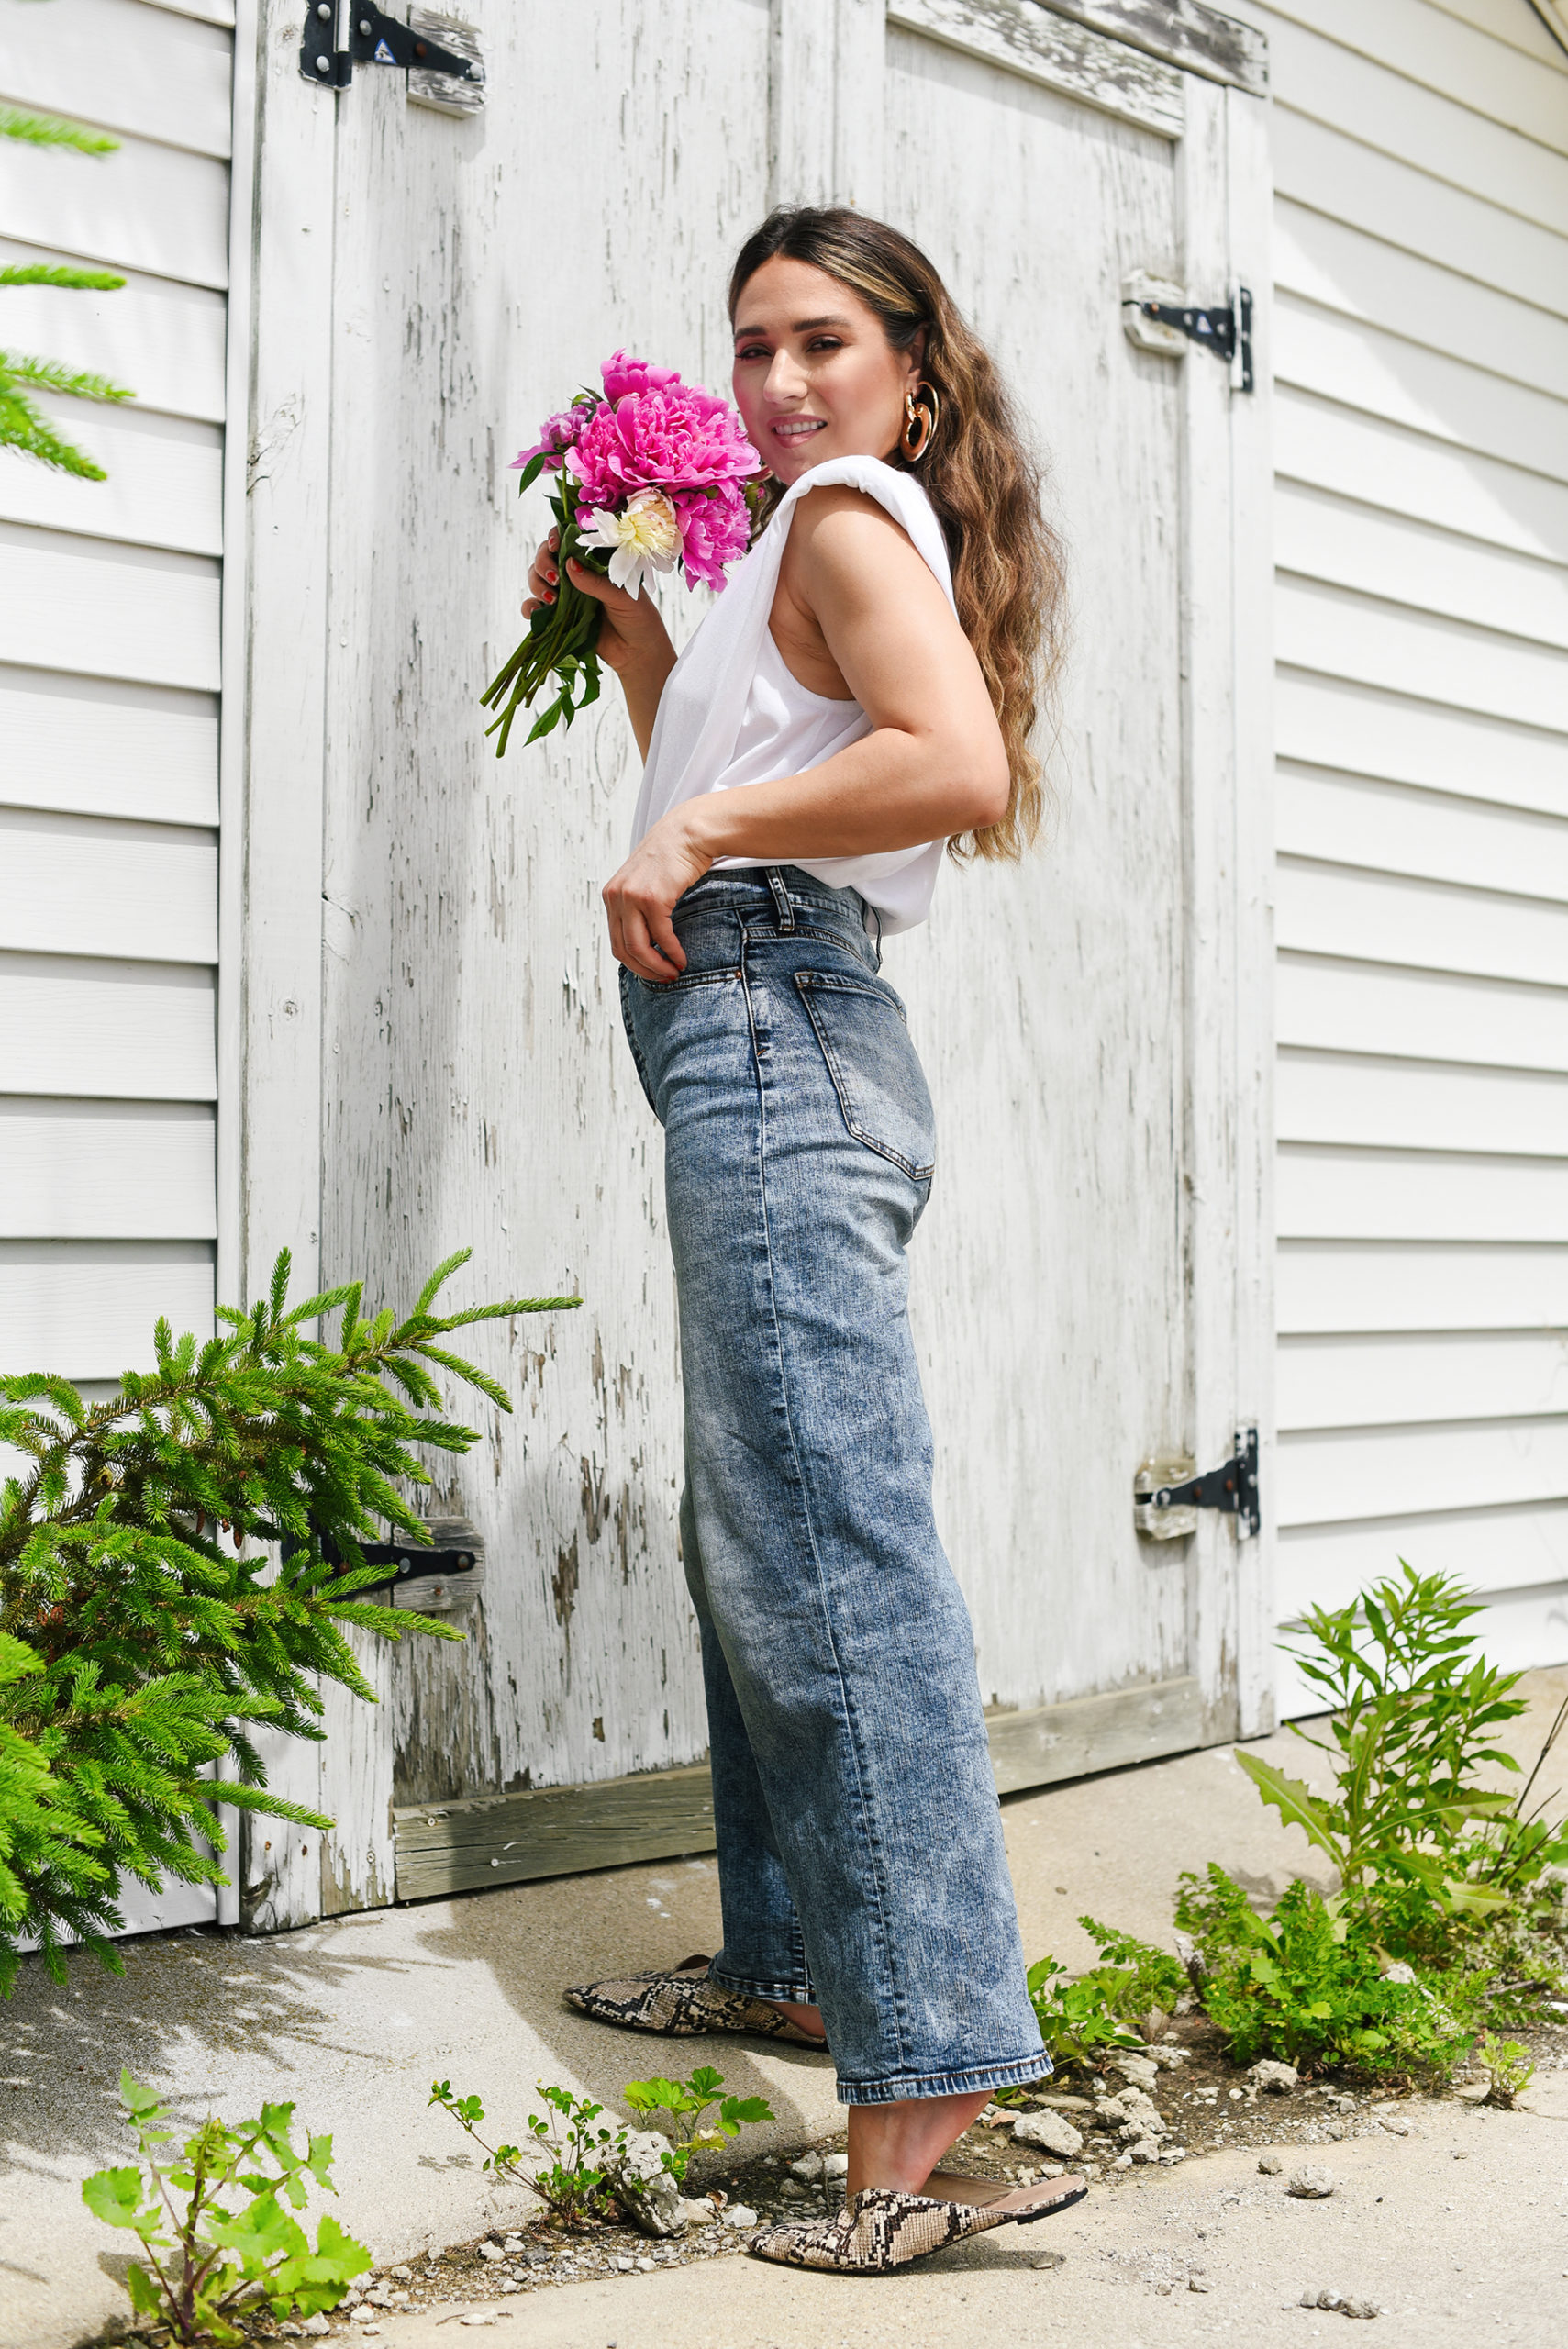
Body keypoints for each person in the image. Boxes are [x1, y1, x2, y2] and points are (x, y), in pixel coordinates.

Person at [528, 207, 1075, 2275]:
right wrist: (632, 645)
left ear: (912, 368)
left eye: (822, 341)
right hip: (749, 1028)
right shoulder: (786, 540)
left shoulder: (848, 507)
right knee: (748, 1521)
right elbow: (756, 748)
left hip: (774, 1019)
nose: (776, 385)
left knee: (828, 1545)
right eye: (749, 345)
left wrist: (698, 833)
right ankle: (794, 1962)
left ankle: (923, 2088)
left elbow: (950, 765)